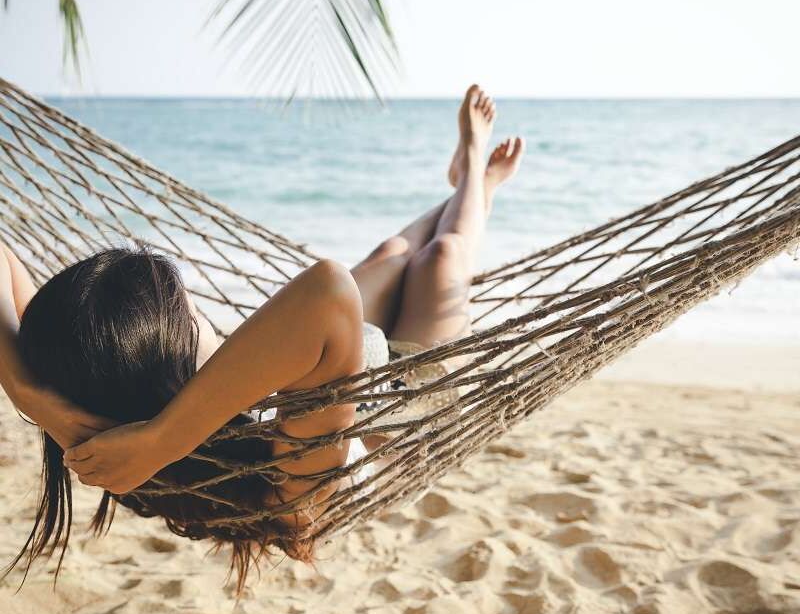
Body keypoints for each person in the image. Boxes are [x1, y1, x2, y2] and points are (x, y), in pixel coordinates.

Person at [0, 85, 525, 588]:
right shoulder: (281, 477)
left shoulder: (89, 403)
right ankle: (477, 173)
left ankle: (465, 184)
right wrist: (164, 439)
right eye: (193, 314)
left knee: (392, 251)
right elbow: (327, 290)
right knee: (443, 256)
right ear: (171, 366)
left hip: (339, 351)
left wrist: (28, 392)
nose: (204, 315)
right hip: (404, 400)